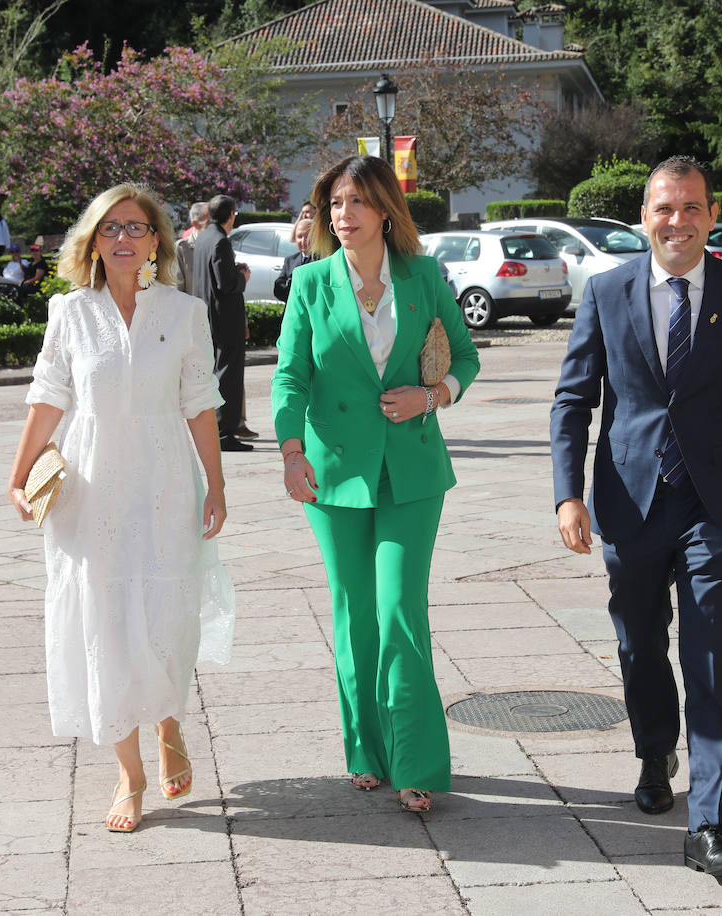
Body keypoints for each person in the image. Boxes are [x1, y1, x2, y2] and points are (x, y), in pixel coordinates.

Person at [551, 156, 722, 877]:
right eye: (665, 208)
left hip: (713, 506)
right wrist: (568, 495)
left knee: (709, 655)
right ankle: (654, 748)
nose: (678, 222)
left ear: (712, 216)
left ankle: (708, 820)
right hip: (630, 504)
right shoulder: (605, 292)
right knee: (639, 645)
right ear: (644, 217)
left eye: (692, 208)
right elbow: (573, 401)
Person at [7, 182, 235, 835]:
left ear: (157, 240)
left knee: (165, 612)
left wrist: (215, 486)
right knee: (104, 621)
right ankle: (129, 774)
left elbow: (200, 405)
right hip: (92, 486)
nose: (124, 239)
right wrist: (18, 474)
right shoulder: (70, 313)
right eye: (112, 228)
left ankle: (168, 724)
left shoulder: (185, 312)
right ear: (94, 241)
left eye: (136, 228)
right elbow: (47, 398)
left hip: (165, 482)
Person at [272, 155, 480, 814]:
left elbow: (468, 357)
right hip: (333, 474)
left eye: (358, 201)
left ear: (386, 209)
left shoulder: (421, 276)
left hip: (413, 469)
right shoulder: (310, 286)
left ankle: (416, 760)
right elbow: (289, 377)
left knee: (399, 611)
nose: (345, 214)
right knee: (355, 614)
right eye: (336, 203)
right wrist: (290, 451)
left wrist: (434, 394)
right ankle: (366, 748)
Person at [193, 194, 253, 452]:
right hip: (224, 317)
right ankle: (225, 431)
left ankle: (219, 428)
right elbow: (226, 283)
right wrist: (243, 277)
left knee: (215, 371)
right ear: (231, 215)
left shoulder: (205, 237)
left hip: (207, 314)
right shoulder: (219, 241)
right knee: (228, 373)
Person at [273, 217, 314, 303]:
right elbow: (278, 288)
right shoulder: (290, 260)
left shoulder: (322, 259)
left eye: (308, 236)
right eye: (299, 237)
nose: (303, 241)